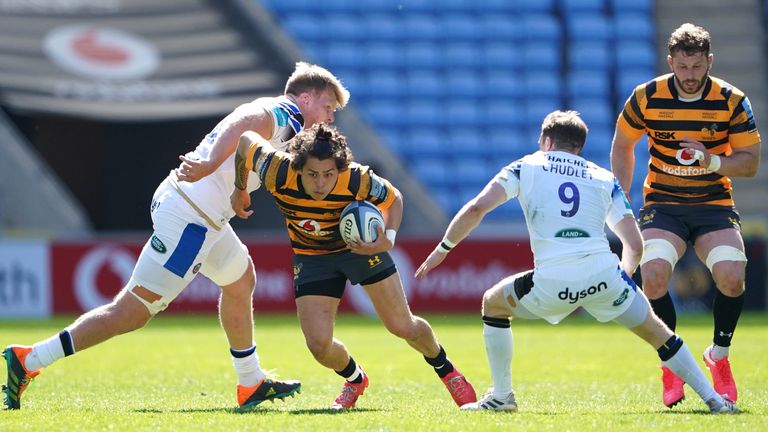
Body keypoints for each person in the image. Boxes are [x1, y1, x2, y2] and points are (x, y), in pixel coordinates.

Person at [2, 62, 349, 410]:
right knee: (131, 313)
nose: (330, 117)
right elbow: (242, 125)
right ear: (305, 98)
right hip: (192, 219)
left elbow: (246, 138)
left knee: (241, 279)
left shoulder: (283, 119)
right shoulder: (286, 112)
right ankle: (30, 359)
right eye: (328, 107)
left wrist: (238, 186)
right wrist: (211, 163)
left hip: (201, 215)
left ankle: (250, 381)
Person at [415, 110, 738, 414]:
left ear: (546, 141)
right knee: (661, 335)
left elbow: (476, 209)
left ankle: (502, 397)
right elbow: (635, 245)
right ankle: (715, 400)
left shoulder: (525, 165)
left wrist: (444, 247)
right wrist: (619, 280)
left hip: (552, 281)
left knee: (493, 304)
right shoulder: (602, 177)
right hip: (605, 275)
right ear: (579, 146)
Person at [230, 123, 477, 410]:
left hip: (360, 250)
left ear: (340, 169)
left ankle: (447, 370)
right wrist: (239, 188)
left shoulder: (355, 178)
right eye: (312, 175)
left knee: (401, 325)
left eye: (328, 175)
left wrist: (388, 239)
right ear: (298, 168)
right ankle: (355, 379)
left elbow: (394, 198)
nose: (320, 183)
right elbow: (246, 140)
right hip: (311, 256)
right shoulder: (277, 170)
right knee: (319, 347)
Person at [610, 23, 761, 408]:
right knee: (655, 275)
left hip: (713, 203)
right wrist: (620, 196)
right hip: (663, 202)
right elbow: (623, 143)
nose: (689, 76)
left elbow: (749, 164)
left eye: (696, 67)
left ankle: (719, 357)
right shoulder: (646, 96)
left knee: (731, 277)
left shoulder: (731, 99)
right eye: (682, 67)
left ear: (709, 61)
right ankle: (671, 365)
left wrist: (710, 159)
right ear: (670, 62)